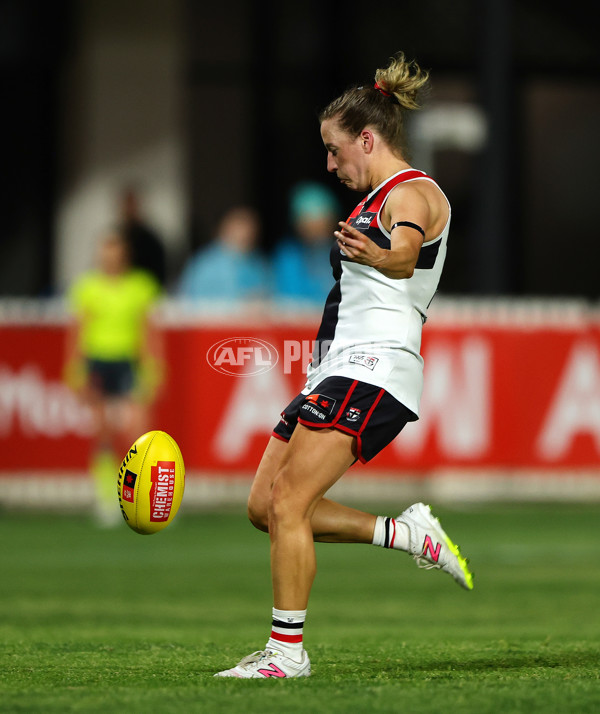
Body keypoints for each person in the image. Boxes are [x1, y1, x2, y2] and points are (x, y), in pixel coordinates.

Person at [214, 52, 474, 679]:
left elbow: (407, 254)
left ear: (367, 138)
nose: (330, 164)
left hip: (375, 365)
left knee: (290, 503)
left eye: (335, 150)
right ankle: (406, 535)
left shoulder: (410, 193)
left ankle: (286, 654)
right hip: (335, 367)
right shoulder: (374, 200)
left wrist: (382, 254)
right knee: (265, 507)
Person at [64, 230, 164, 526]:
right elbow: (77, 329)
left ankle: (147, 496)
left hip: (128, 361)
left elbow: (149, 329)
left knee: (139, 430)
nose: (109, 256)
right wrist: (75, 367)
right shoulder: (87, 287)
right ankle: (107, 497)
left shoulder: (140, 286)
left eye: (115, 250)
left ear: (124, 254)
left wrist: (154, 366)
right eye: (105, 250)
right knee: (103, 431)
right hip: (97, 361)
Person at [177, 206, 271, 302]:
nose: (245, 234)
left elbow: (269, 295)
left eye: (250, 229)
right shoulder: (204, 263)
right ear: (225, 229)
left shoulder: (259, 263)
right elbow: (188, 300)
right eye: (239, 227)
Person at [272, 182, 340, 306]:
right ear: (298, 223)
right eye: (309, 221)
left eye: (322, 220)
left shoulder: (343, 253)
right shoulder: (288, 255)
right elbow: (288, 297)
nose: (316, 228)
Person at [120, 187, 168, 287]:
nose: (129, 209)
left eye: (132, 204)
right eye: (126, 204)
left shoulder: (152, 241)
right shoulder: (116, 235)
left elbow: (160, 274)